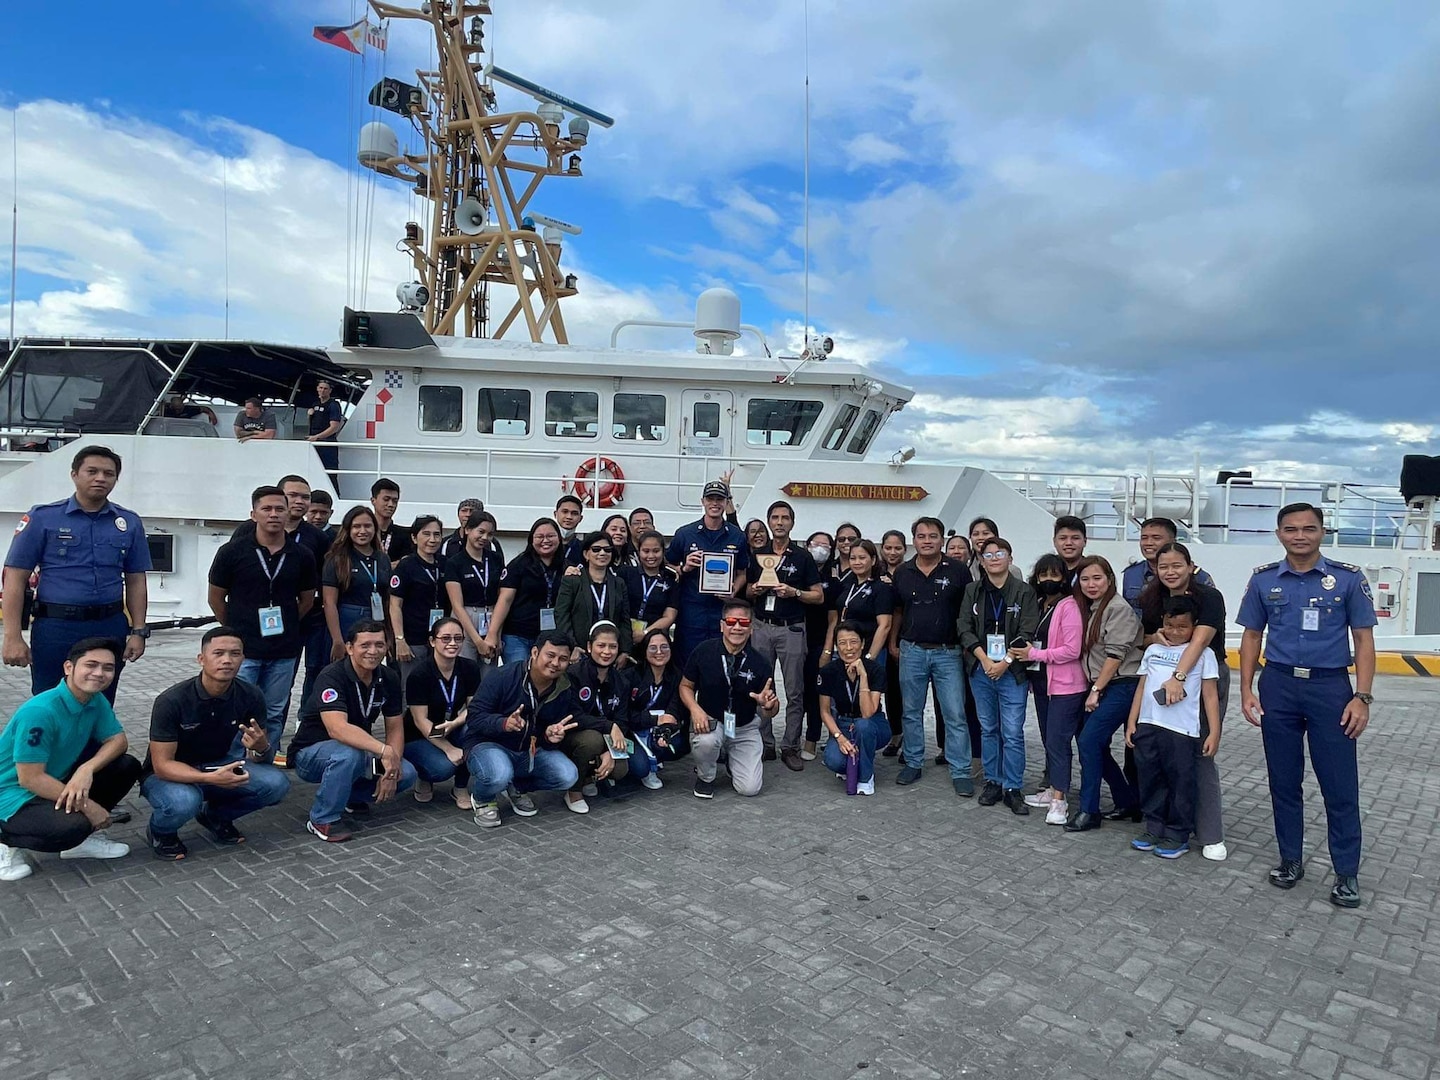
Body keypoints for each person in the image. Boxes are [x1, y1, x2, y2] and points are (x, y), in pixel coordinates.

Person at [1238, 502, 1376, 909]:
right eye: (1292, 529)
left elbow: (1364, 640)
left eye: (1309, 529)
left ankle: (1346, 873)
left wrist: (1362, 696)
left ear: (1322, 532)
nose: (1301, 536)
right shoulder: (1264, 581)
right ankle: (1290, 859)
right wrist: (1246, 689)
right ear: (1279, 533)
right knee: (1283, 780)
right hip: (1278, 685)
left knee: (1339, 786)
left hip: (1330, 689)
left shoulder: (1347, 580)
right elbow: (1251, 636)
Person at [3, 445, 151, 703]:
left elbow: (136, 580)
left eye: (109, 473)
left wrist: (138, 632)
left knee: (101, 700)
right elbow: (15, 578)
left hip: (108, 625)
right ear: (74, 474)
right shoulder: (42, 518)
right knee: (50, 700)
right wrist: (13, 636)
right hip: (56, 627)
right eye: (91, 471)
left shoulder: (129, 522)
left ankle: (97, 746)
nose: (100, 478)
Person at [141, 627, 290, 859]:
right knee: (185, 801)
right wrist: (209, 779)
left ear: (243, 658)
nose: (227, 660)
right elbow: (162, 765)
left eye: (234, 654)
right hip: (168, 774)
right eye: (218, 653)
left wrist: (261, 747)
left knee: (276, 784)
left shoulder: (251, 695)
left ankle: (215, 815)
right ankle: (161, 831)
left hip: (219, 763)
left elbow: (260, 758)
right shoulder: (171, 700)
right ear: (201, 659)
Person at [0, 638, 142, 881]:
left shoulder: (94, 700)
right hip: (10, 794)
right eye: (91, 665)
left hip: (51, 780)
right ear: (69, 667)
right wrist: (90, 808)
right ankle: (5, 842)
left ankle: (81, 844)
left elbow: (118, 741)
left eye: (108, 668)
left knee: (126, 766)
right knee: (72, 826)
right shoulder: (40, 712)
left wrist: (86, 769)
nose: (99, 673)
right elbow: (30, 779)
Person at [207, 485, 318, 758]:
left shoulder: (302, 555)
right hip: (243, 650)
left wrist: (289, 623)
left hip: (283, 650)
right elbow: (216, 599)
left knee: (274, 711)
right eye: (266, 509)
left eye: (280, 509)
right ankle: (231, 765)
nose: (274, 514)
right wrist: (234, 630)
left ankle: (267, 762)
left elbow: (306, 600)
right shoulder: (232, 552)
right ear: (253, 513)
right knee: (236, 709)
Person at [1136, 542, 1230, 861]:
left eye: (1177, 565)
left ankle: (1209, 833)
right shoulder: (1152, 598)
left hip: (1201, 676)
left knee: (1200, 755)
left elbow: (1201, 640)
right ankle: (1161, 825)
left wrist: (1178, 677)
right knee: (1161, 760)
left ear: (1191, 566)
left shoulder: (1209, 597)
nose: (1170, 572)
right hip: (1162, 679)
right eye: (1163, 567)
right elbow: (1147, 636)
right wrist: (1154, 639)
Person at [288, 620, 418, 842]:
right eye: (365, 645)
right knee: (348, 755)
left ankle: (345, 797)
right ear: (349, 648)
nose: (373, 651)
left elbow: (395, 726)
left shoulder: (388, 677)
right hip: (311, 754)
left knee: (407, 773)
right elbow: (337, 729)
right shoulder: (331, 676)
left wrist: (392, 765)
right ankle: (322, 818)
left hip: (358, 750)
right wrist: (384, 751)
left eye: (379, 645)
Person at [452, 631, 584, 828]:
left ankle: (516, 786)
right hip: (488, 744)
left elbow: (546, 731)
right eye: (550, 655)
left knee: (568, 775)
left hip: (527, 750)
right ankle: (483, 798)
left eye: (563, 659)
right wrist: (503, 723)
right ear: (534, 652)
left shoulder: (564, 687)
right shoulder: (503, 676)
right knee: (498, 774)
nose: (556, 663)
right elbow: (475, 716)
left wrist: (549, 736)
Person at [1124, 597, 1220, 860]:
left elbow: (1210, 696)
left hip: (1182, 732)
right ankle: (1154, 827)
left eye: (1181, 627)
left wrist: (1214, 732)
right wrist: (1133, 721)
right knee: (1151, 779)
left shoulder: (1203, 655)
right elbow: (1142, 687)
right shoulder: (1154, 650)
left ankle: (1178, 834)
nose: (1175, 632)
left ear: (1195, 626)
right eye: (1169, 625)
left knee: (1180, 783)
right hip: (1149, 726)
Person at [890, 517, 974, 793]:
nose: (927, 541)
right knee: (911, 712)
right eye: (922, 536)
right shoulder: (902, 572)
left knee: (955, 713)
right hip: (911, 650)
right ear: (913, 540)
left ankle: (960, 769)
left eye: (933, 536)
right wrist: (894, 643)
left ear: (942, 540)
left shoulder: (959, 571)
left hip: (948, 653)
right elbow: (898, 611)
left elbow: (967, 612)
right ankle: (913, 762)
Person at [958, 538, 1039, 814]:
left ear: (1010, 557)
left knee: (1013, 732)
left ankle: (1013, 787)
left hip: (1011, 670)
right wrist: (983, 659)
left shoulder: (1024, 591)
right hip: (980, 669)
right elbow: (964, 627)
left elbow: (1027, 630)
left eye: (999, 553)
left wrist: (1004, 661)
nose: (993, 558)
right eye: (988, 554)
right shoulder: (973, 590)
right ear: (981, 560)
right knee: (988, 728)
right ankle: (993, 781)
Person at [1065, 556, 1144, 833]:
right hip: (1104, 685)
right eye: (1085, 579)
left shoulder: (1117, 608)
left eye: (1097, 578)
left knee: (1088, 742)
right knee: (1094, 743)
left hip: (1121, 685)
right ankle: (1127, 800)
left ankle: (1089, 810)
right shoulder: (1092, 608)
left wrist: (1095, 690)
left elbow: (1115, 655)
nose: (1091, 584)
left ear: (1109, 579)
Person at [746, 500, 822, 771]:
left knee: (795, 690)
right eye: (775, 517)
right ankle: (765, 742)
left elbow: (818, 595)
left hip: (791, 627)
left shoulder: (802, 557)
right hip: (761, 625)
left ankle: (790, 745)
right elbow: (744, 591)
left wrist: (795, 592)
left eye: (785, 518)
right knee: (761, 687)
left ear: (792, 522)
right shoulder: (757, 553)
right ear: (768, 521)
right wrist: (753, 590)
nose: (779, 522)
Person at [681, 599, 780, 800]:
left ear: (751, 628)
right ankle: (705, 776)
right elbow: (685, 686)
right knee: (706, 742)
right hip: (712, 720)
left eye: (743, 623)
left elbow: (772, 707)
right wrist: (695, 709)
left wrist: (768, 705)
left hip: (744, 726)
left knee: (750, 789)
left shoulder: (760, 662)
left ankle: (731, 762)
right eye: (732, 621)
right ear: (722, 625)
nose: (737, 627)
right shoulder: (703, 651)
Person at [1015, 555, 1086, 826]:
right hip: (1043, 683)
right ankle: (1051, 790)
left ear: (1064, 578)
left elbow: (1072, 649)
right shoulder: (1042, 603)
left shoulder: (1069, 606)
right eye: (1043, 575)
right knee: (1048, 739)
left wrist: (1035, 653)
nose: (1048, 580)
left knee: (1058, 742)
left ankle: (1059, 799)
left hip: (1066, 687)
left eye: (1054, 575)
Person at [666, 480, 753, 666]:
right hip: (691, 612)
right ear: (702, 501)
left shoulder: (737, 535)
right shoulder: (685, 534)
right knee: (687, 667)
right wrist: (684, 568)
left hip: (721, 613)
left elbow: (742, 572)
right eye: (710, 498)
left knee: (719, 668)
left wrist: (734, 590)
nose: (715, 503)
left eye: (719, 499)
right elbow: (666, 565)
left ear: (726, 502)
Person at [403, 617, 483, 809]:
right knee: (443, 767)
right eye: (445, 638)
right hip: (418, 735)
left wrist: (455, 723)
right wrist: (448, 748)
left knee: (474, 730)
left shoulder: (470, 668)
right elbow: (420, 721)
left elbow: (474, 707)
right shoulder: (419, 674)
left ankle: (460, 787)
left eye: (458, 638)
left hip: (450, 726)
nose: (453, 643)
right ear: (432, 641)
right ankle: (424, 775)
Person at [564, 622, 641, 802]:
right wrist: (609, 726)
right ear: (589, 647)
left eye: (613, 646)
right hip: (573, 735)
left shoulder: (622, 681)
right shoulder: (573, 674)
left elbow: (622, 719)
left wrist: (610, 751)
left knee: (621, 768)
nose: (607, 652)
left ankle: (589, 777)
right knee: (592, 740)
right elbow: (574, 715)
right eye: (601, 645)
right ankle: (574, 791)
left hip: (605, 737)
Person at [818, 621, 889, 796]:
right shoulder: (828, 671)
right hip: (843, 723)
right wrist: (839, 738)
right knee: (832, 760)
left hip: (873, 724)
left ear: (863, 644)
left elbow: (867, 713)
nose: (848, 648)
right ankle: (852, 762)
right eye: (842, 643)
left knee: (863, 726)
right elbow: (825, 711)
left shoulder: (875, 670)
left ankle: (866, 778)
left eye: (854, 642)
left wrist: (863, 676)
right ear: (836, 646)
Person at [803, 526, 855, 759]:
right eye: (816, 544)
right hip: (795, 638)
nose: (820, 549)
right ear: (807, 546)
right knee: (798, 692)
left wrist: (827, 648)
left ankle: (813, 739)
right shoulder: (799, 570)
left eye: (825, 545)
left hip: (821, 641)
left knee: (819, 691)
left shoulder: (832, 580)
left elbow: (834, 617)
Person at [486, 517, 565, 666]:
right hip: (517, 635)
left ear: (559, 539)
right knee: (519, 677)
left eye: (550, 536)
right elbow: (505, 600)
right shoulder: (519, 564)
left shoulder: (566, 567)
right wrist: (493, 633)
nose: (545, 540)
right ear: (531, 540)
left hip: (549, 637)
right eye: (539, 537)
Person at [322, 507, 392, 661]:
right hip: (346, 619)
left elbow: (387, 598)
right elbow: (329, 602)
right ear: (348, 529)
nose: (362, 531)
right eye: (356, 526)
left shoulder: (382, 558)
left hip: (376, 620)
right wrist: (337, 639)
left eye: (367, 526)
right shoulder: (337, 559)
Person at [388, 515, 450, 684]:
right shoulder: (406, 566)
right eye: (426, 534)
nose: (432, 539)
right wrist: (400, 640)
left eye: (437, 535)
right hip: (413, 638)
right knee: (411, 686)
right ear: (414, 538)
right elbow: (395, 605)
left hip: (440, 637)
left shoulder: (446, 564)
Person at [555, 530, 633, 657]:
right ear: (586, 554)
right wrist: (572, 646)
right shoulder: (572, 581)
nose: (602, 553)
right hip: (579, 652)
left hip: (609, 653)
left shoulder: (619, 584)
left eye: (607, 550)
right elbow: (562, 616)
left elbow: (624, 620)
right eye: (596, 549)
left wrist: (625, 651)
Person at [444, 511, 503, 665]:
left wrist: (495, 633)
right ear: (468, 530)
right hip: (466, 619)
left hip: (491, 618)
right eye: (481, 532)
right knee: (466, 671)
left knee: (489, 675)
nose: (484, 538)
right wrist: (478, 641)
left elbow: (501, 597)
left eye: (489, 534)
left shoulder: (496, 559)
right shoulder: (454, 562)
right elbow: (457, 605)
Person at [1123, 517, 1213, 613]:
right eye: (1144, 538)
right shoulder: (1131, 574)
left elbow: (1211, 613)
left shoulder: (1199, 577)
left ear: (1173, 541)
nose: (1148, 543)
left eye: (1156, 538)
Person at [631, 628, 688, 765]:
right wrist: (656, 719)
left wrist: (665, 730)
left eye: (664, 647)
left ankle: (654, 757)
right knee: (640, 767)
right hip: (633, 731)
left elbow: (674, 710)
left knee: (680, 744)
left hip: (658, 728)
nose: (659, 652)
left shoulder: (676, 676)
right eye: (652, 648)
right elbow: (626, 714)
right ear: (644, 652)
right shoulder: (630, 676)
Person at [878, 528, 908, 758]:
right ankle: (894, 733)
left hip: (904, 637)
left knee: (906, 691)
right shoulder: (874, 570)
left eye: (897, 548)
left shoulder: (910, 571)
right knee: (888, 690)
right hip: (879, 639)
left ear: (905, 549)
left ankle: (908, 738)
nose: (892, 552)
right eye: (888, 547)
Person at [620, 530, 679, 649]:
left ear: (663, 552)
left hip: (654, 639)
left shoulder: (671, 579)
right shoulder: (625, 573)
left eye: (656, 551)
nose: (651, 556)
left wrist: (645, 633)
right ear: (639, 551)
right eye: (646, 551)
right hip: (624, 636)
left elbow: (669, 616)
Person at [306, 378, 345, 485]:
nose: (322, 390)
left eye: (325, 388)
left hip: (327, 444)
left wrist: (318, 437)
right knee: (313, 471)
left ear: (330, 391)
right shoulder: (315, 404)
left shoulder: (333, 405)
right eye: (321, 388)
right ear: (317, 389)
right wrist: (309, 416)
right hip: (314, 442)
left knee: (330, 473)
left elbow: (334, 427)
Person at [370, 478, 414, 563]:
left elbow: (407, 563)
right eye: (386, 499)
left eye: (395, 501)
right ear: (373, 501)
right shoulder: (364, 532)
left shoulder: (405, 535)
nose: (391, 504)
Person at [1053, 516, 1088, 586]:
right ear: (1054, 541)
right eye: (1063, 538)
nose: (1068, 543)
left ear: (1085, 541)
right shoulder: (1045, 571)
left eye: (1075, 538)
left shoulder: (1092, 570)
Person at [554, 494, 586, 566]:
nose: (569, 517)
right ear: (555, 514)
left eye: (574, 513)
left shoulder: (584, 548)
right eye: (565, 512)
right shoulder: (545, 544)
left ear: (580, 518)